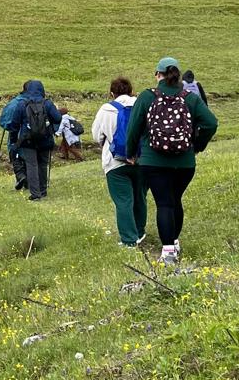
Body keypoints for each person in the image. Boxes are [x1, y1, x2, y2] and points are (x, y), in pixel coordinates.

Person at [127, 56, 219, 265]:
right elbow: (211, 123)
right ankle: (174, 243)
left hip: (153, 161)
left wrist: (131, 152)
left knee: (164, 203)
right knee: (175, 200)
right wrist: (198, 145)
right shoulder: (190, 98)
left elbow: (133, 129)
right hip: (184, 162)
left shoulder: (147, 97)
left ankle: (168, 251)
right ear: (178, 74)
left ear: (157, 74)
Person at [91, 77, 146, 247]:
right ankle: (140, 231)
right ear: (131, 90)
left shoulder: (106, 109)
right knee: (140, 196)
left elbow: (96, 135)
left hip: (115, 162)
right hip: (142, 159)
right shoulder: (142, 104)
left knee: (123, 200)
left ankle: (129, 239)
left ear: (112, 93)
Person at [0, 80, 62, 201]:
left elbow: (14, 125)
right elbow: (58, 118)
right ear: (42, 90)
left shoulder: (22, 104)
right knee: (42, 164)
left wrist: (13, 141)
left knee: (31, 165)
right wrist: (50, 126)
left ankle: (35, 194)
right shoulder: (47, 103)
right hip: (45, 139)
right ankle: (43, 191)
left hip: (27, 140)